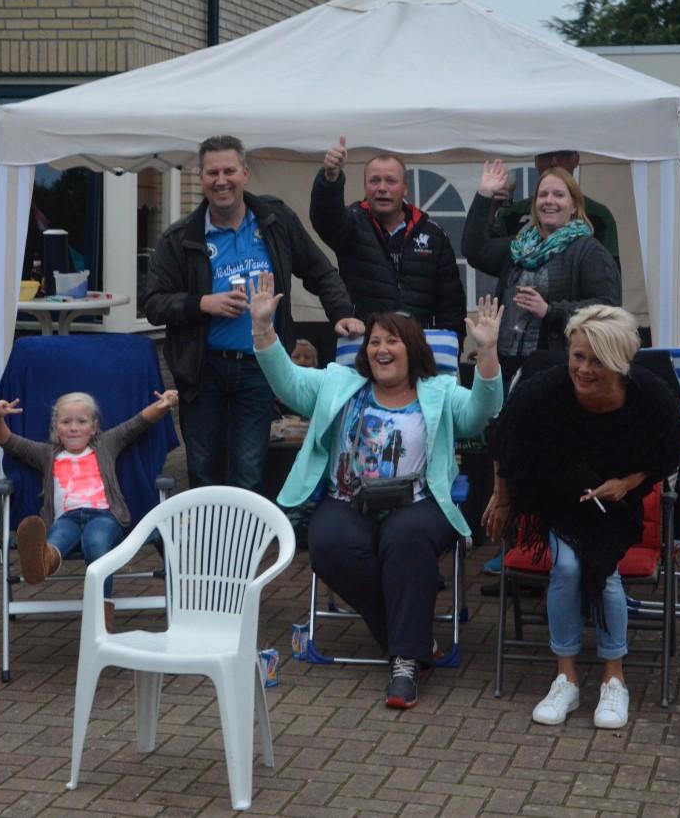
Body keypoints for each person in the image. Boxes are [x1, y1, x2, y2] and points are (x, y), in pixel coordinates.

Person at [250, 272, 504, 710]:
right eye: (374, 342)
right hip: (348, 500)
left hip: (418, 503)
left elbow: (482, 412)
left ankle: (405, 663)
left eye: (392, 341)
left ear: (413, 349)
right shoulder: (338, 384)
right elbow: (287, 382)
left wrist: (487, 351)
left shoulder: (440, 392)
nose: (381, 349)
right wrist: (262, 328)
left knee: (406, 542)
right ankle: (416, 638)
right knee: (328, 545)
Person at [484, 305, 680, 730]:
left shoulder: (649, 395)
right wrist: (502, 498)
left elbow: (669, 450)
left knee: (602, 570)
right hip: (558, 496)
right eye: (577, 357)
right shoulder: (545, 390)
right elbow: (503, 438)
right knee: (567, 567)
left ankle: (615, 679)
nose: (584, 369)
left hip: (616, 504)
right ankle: (566, 679)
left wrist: (626, 484)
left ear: (619, 361)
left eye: (597, 361)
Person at [141, 134, 363, 493]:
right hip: (203, 370)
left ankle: (245, 532)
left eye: (229, 171)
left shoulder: (275, 220)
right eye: (212, 173)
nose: (221, 181)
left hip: (260, 366)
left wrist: (340, 312)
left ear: (245, 173)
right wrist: (203, 303)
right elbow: (152, 303)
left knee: (250, 470)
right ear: (201, 178)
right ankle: (209, 532)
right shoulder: (179, 237)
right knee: (203, 472)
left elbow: (320, 271)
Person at [0, 388, 179, 632]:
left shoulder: (106, 444)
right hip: (66, 518)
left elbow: (138, 423)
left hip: (104, 516)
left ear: (94, 426)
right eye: (66, 422)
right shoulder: (47, 454)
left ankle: (101, 616)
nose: (74, 428)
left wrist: (164, 404)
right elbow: (7, 440)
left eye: (81, 422)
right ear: (56, 427)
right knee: (56, 538)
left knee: (96, 541)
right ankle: (43, 560)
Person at [463, 160, 622, 391]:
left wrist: (550, 311)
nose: (549, 200)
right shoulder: (520, 247)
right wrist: (485, 195)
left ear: (574, 206)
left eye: (559, 195)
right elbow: (475, 250)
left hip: (555, 371)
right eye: (543, 195)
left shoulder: (589, 251)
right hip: (505, 366)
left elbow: (609, 306)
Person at [309, 136, 466, 337]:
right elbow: (325, 220)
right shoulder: (350, 223)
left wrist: (452, 345)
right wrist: (330, 178)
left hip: (417, 344)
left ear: (405, 188)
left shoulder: (432, 234)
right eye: (374, 181)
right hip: (362, 341)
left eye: (390, 181)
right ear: (365, 187)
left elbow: (451, 303)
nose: (382, 188)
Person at [489, 151, 619, 258]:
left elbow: (609, 274)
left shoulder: (598, 215)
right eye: (546, 155)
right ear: (536, 160)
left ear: (576, 159)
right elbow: (486, 255)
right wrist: (489, 204)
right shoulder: (511, 213)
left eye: (563, 154)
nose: (554, 162)